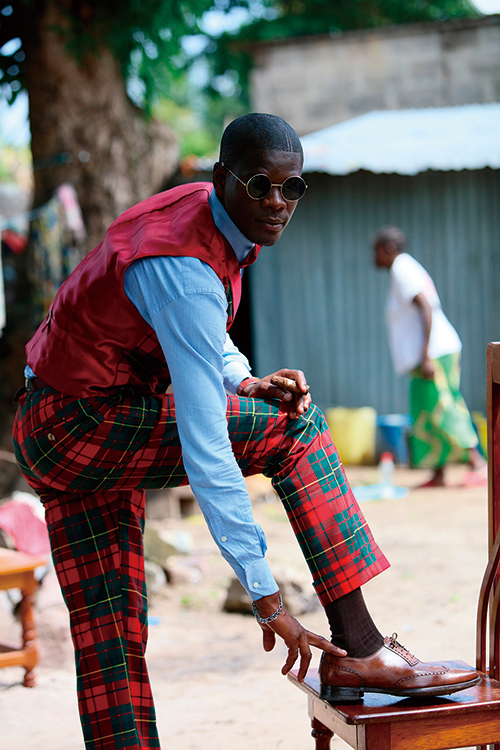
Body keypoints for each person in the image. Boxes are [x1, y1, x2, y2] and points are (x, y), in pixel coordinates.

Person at [13, 115, 478, 750]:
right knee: (297, 427)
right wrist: (267, 597)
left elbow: (198, 337)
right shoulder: (183, 264)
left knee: (110, 635)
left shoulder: (198, 221)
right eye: (260, 185)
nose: (278, 203)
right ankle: (361, 648)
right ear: (222, 178)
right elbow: (208, 453)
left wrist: (242, 379)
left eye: (293, 189)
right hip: (84, 423)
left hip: (53, 423)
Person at [374, 226, 487, 488]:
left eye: (377, 250)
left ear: (389, 249)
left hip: (434, 353)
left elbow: (426, 307)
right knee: (424, 411)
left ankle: (477, 464)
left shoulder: (402, 269)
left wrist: (425, 355)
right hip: (428, 354)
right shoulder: (403, 269)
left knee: (444, 405)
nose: (374, 256)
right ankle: (439, 472)